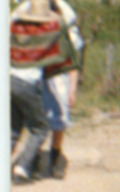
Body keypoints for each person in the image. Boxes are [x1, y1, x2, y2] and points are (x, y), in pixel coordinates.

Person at [10, 0, 78, 184]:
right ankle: (22, 169)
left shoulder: (17, 29)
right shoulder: (48, 34)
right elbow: (66, 50)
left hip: (10, 79)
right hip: (28, 84)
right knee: (40, 128)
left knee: (14, 129)